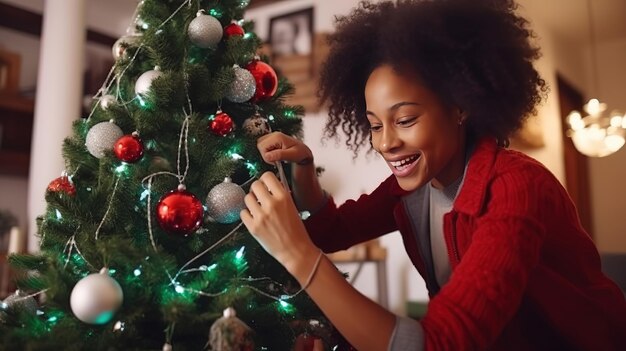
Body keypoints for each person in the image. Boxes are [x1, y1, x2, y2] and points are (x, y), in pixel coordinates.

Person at [240, 0, 626, 350]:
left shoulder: (516, 187)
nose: (386, 143)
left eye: (405, 119)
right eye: (375, 125)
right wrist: (305, 169)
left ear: (461, 107)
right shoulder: (411, 190)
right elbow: (332, 231)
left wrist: (299, 257)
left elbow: (443, 344)